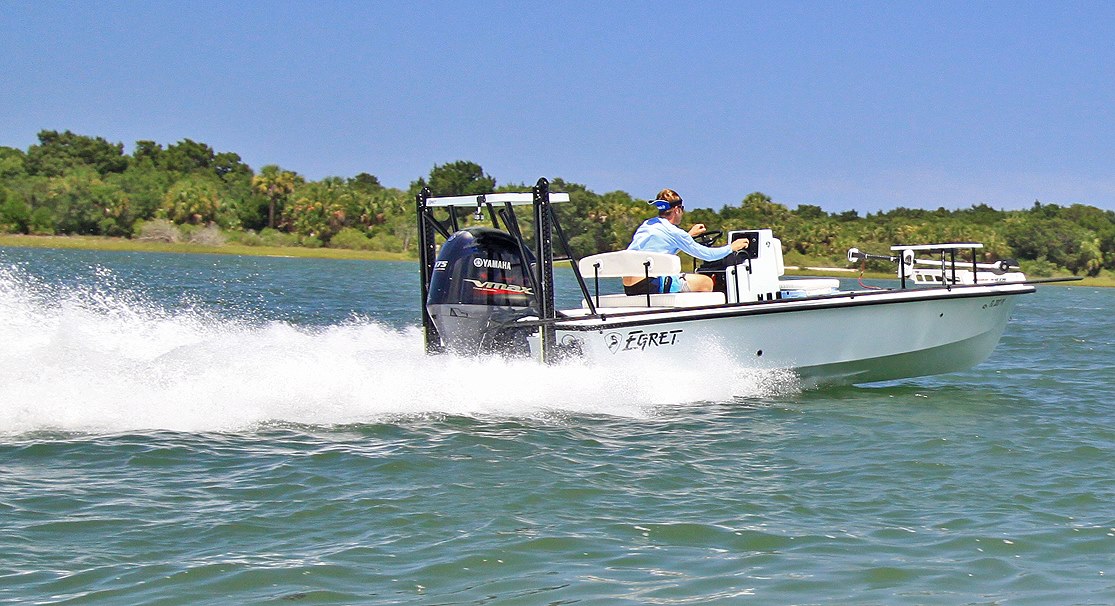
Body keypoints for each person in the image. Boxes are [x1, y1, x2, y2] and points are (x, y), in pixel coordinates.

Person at [624, 188, 749, 294]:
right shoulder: (675, 232)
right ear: (677, 210)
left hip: (630, 286)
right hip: (650, 284)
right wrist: (732, 247)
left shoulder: (648, 224)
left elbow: (664, 250)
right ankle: (701, 322)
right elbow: (708, 255)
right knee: (706, 282)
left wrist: (689, 235)